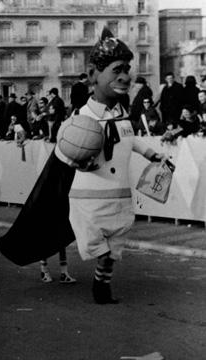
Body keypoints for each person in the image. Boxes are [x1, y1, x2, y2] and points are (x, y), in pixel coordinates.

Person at [55, 28, 167, 304]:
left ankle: (101, 285)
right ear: (93, 74)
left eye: (127, 70)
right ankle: (100, 284)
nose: (125, 77)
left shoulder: (123, 115)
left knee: (115, 248)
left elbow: (131, 139)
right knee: (99, 246)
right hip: (89, 199)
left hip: (120, 196)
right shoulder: (79, 120)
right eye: (117, 69)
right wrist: (78, 163)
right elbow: (64, 152)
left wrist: (152, 153)